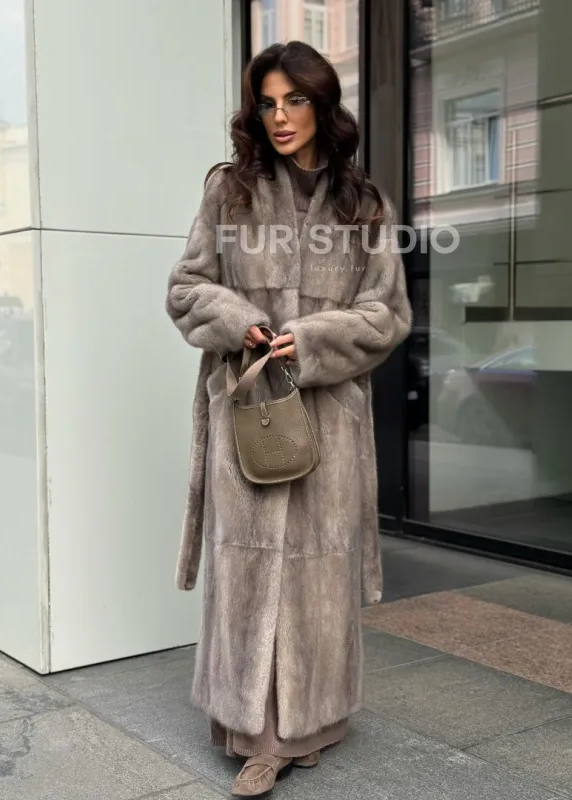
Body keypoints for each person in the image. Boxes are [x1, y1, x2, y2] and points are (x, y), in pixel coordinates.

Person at [165, 40, 412, 798]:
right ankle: (258, 737)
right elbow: (186, 288)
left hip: (329, 416)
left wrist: (313, 338)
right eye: (268, 102)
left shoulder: (365, 205)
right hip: (249, 409)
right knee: (250, 567)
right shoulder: (230, 191)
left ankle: (311, 725)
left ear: (322, 105)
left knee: (316, 574)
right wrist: (237, 320)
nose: (280, 116)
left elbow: (387, 314)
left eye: (295, 100)